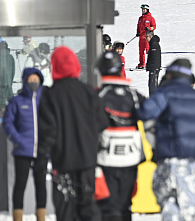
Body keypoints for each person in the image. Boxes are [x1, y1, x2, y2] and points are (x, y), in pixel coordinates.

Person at [137, 59, 195, 220]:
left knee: (168, 198)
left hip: (175, 159)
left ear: (169, 76)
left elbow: (145, 112)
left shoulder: (165, 93)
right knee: (189, 203)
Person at [38, 46, 108, 221]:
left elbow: (48, 132)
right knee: (88, 207)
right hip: (87, 162)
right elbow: (102, 123)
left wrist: (40, 158)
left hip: (63, 163)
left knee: (66, 209)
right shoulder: (88, 92)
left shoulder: (50, 95)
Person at [95, 51, 146, 221]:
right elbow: (150, 120)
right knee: (125, 206)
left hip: (106, 159)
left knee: (109, 207)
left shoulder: (97, 95)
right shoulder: (134, 95)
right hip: (131, 158)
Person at [3, 67, 47, 221]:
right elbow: (7, 123)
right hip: (22, 151)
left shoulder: (45, 100)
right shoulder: (17, 101)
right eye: (30, 79)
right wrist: (18, 140)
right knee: (20, 185)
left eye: (36, 79)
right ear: (24, 80)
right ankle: (18, 217)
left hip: (42, 151)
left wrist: (47, 143)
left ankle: (41, 217)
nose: (33, 81)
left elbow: (53, 123)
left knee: (41, 185)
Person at [136, 4, 156, 69]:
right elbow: (138, 27)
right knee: (141, 51)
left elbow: (154, 27)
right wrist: (138, 33)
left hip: (148, 37)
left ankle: (152, 63)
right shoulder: (140, 18)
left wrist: (149, 28)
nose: (143, 10)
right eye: (142, 9)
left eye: (144, 9)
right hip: (141, 37)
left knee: (148, 50)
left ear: (147, 10)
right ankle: (142, 64)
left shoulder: (151, 18)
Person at [0, 41, 16, 109]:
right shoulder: (11, 57)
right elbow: (13, 71)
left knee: (1, 100)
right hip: (8, 82)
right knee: (11, 99)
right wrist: (10, 81)